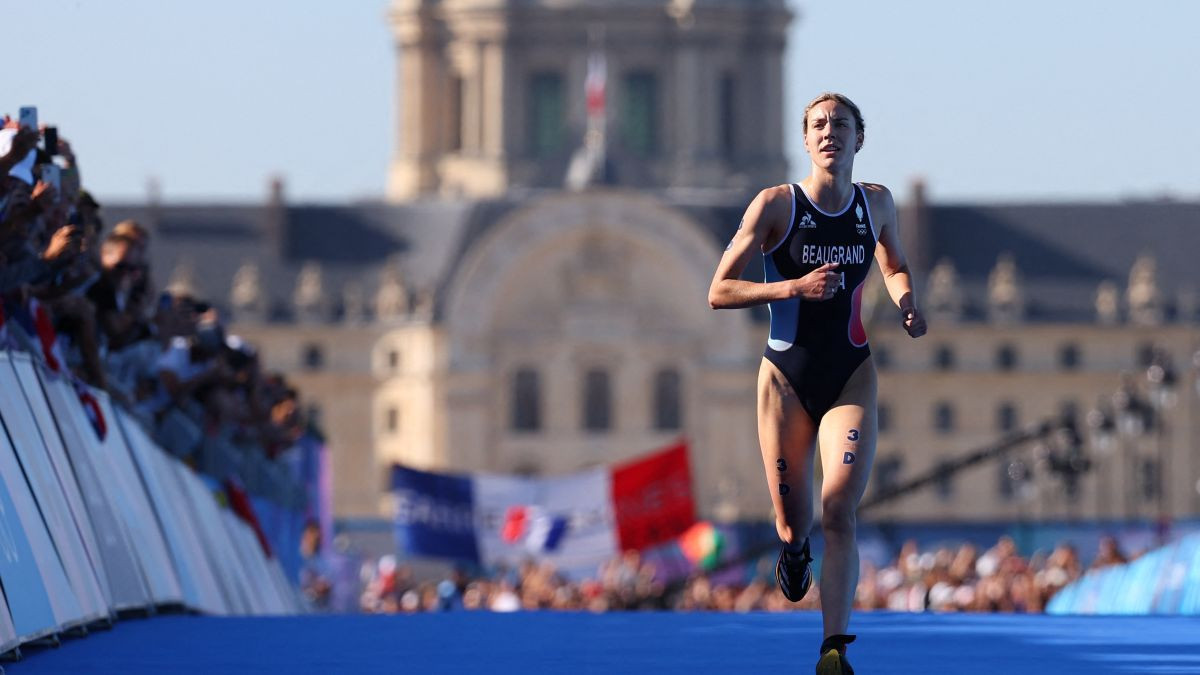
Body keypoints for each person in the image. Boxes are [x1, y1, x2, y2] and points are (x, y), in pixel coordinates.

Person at [708, 92, 926, 674]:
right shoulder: (776, 206)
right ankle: (792, 549)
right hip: (785, 378)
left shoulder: (875, 204)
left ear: (860, 138)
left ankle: (833, 648)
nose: (830, 133)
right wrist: (791, 287)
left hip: (850, 372)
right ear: (805, 140)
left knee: (840, 510)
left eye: (841, 124)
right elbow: (719, 290)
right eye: (819, 125)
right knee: (794, 519)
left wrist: (907, 303)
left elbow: (894, 261)